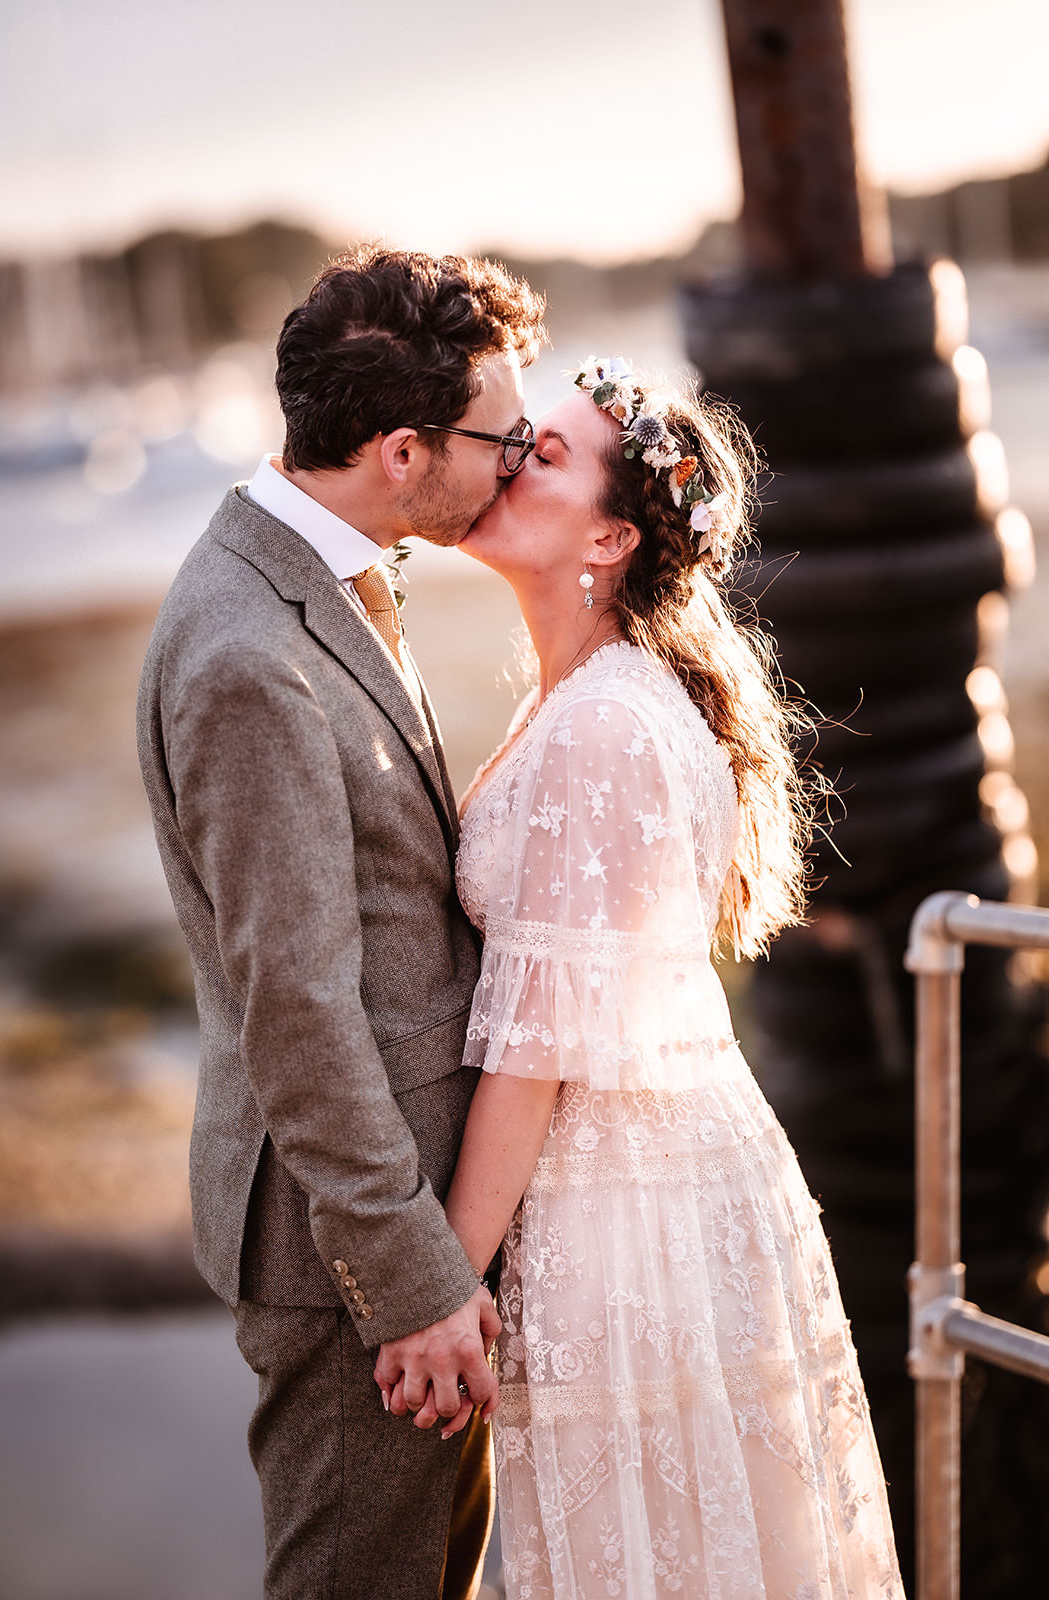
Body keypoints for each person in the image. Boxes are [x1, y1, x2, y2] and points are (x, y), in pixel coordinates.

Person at [378, 358, 905, 1597]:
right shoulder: (588, 695)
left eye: (544, 454)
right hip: (644, 1186)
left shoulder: (606, 717)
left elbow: (533, 1048)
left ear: (610, 537)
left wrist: (439, 1293)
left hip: (633, 1222)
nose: (508, 460)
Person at [136, 244, 546, 1600]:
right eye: (503, 437)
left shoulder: (323, 567)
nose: (521, 458)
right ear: (398, 448)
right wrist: (419, 1283)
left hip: (398, 1216)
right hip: (347, 1253)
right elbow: (295, 1009)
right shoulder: (246, 656)